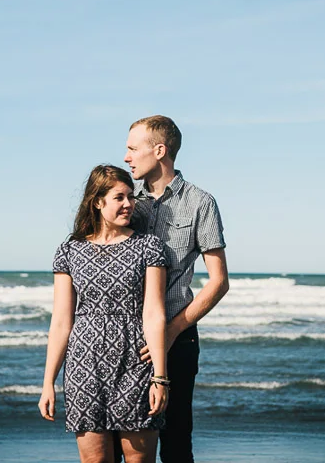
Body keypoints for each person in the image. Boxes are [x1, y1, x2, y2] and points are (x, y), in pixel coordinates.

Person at [39, 165, 169, 463]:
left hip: (135, 364)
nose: (129, 204)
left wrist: (160, 378)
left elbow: (153, 313)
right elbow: (61, 321)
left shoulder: (148, 246)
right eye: (119, 197)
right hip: (84, 367)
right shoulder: (69, 251)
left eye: (131, 197)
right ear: (97, 202)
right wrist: (48, 382)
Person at [124, 115, 230, 463]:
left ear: (159, 150)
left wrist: (170, 331)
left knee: (176, 441)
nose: (127, 157)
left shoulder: (201, 202)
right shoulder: (124, 201)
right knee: (122, 439)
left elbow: (218, 281)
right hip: (127, 336)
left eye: (132, 148)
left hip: (177, 336)